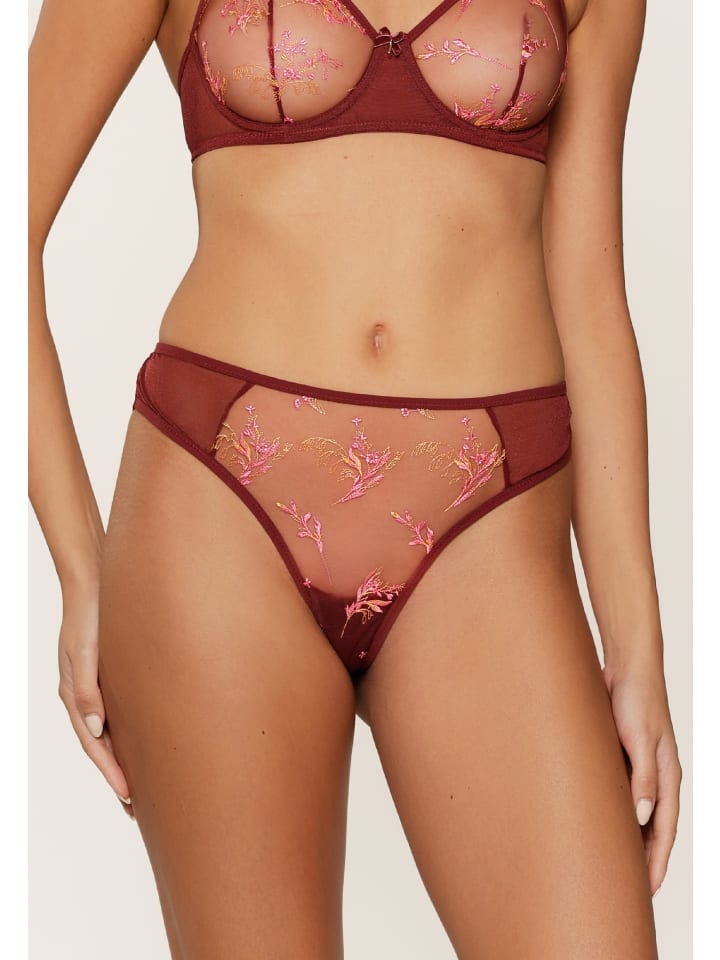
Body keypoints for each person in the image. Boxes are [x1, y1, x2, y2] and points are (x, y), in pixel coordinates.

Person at [29, 0, 682, 956]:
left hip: (488, 521)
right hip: (221, 507)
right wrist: (83, 570)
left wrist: (637, 647)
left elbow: (588, 285)